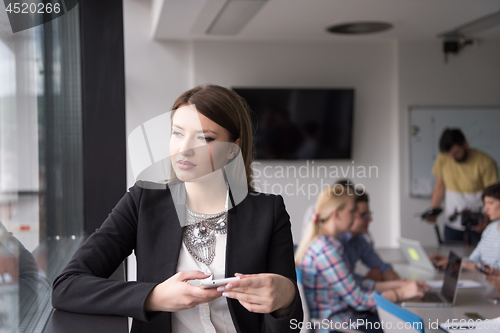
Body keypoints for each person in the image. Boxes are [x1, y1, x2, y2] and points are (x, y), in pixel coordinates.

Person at [51, 85, 303, 333]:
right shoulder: (142, 202)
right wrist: (155, 296)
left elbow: (290, 324)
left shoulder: (269, 211)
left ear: (231, 149)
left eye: (204, 138)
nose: (184, 149)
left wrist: (286, 298)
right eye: (177, 133)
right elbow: (67, 286)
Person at [296, 185, 428, 332]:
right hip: (339, 327)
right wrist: (402, 293)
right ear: (336, 214)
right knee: (406, 327)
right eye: (352, 212)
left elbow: (356, 284)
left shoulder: (328, 245)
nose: (354, 217)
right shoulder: (326, 251)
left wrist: (398, 285)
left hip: (345, 321)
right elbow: (360, 301)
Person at [426, 128, 498, 243]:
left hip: (477, 224)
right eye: (449, 154)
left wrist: (485, 220)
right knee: (450, 258)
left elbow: (493, 195)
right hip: (452, 224)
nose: (452, 157)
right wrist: (434, 210)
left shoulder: (486, 162)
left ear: (465, 144)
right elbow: (439, 187)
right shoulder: (443, 158)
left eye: (456, 153)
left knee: (477, 258)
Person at [432, 183, 500, 272]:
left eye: (490, 203)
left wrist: (463, 264)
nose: (485, 208)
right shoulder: (490, 229)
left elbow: (495, 270)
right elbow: (474, 260)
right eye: (485, 203)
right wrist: (452, 261)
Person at [339, 191, 400, 282]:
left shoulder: (359, 240)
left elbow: (382, 267)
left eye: (369, 214)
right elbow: (345, 284)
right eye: (363, 214)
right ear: (349, 215)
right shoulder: (336, 242)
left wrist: (400, 283)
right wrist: (368, 279)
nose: (370, 219)